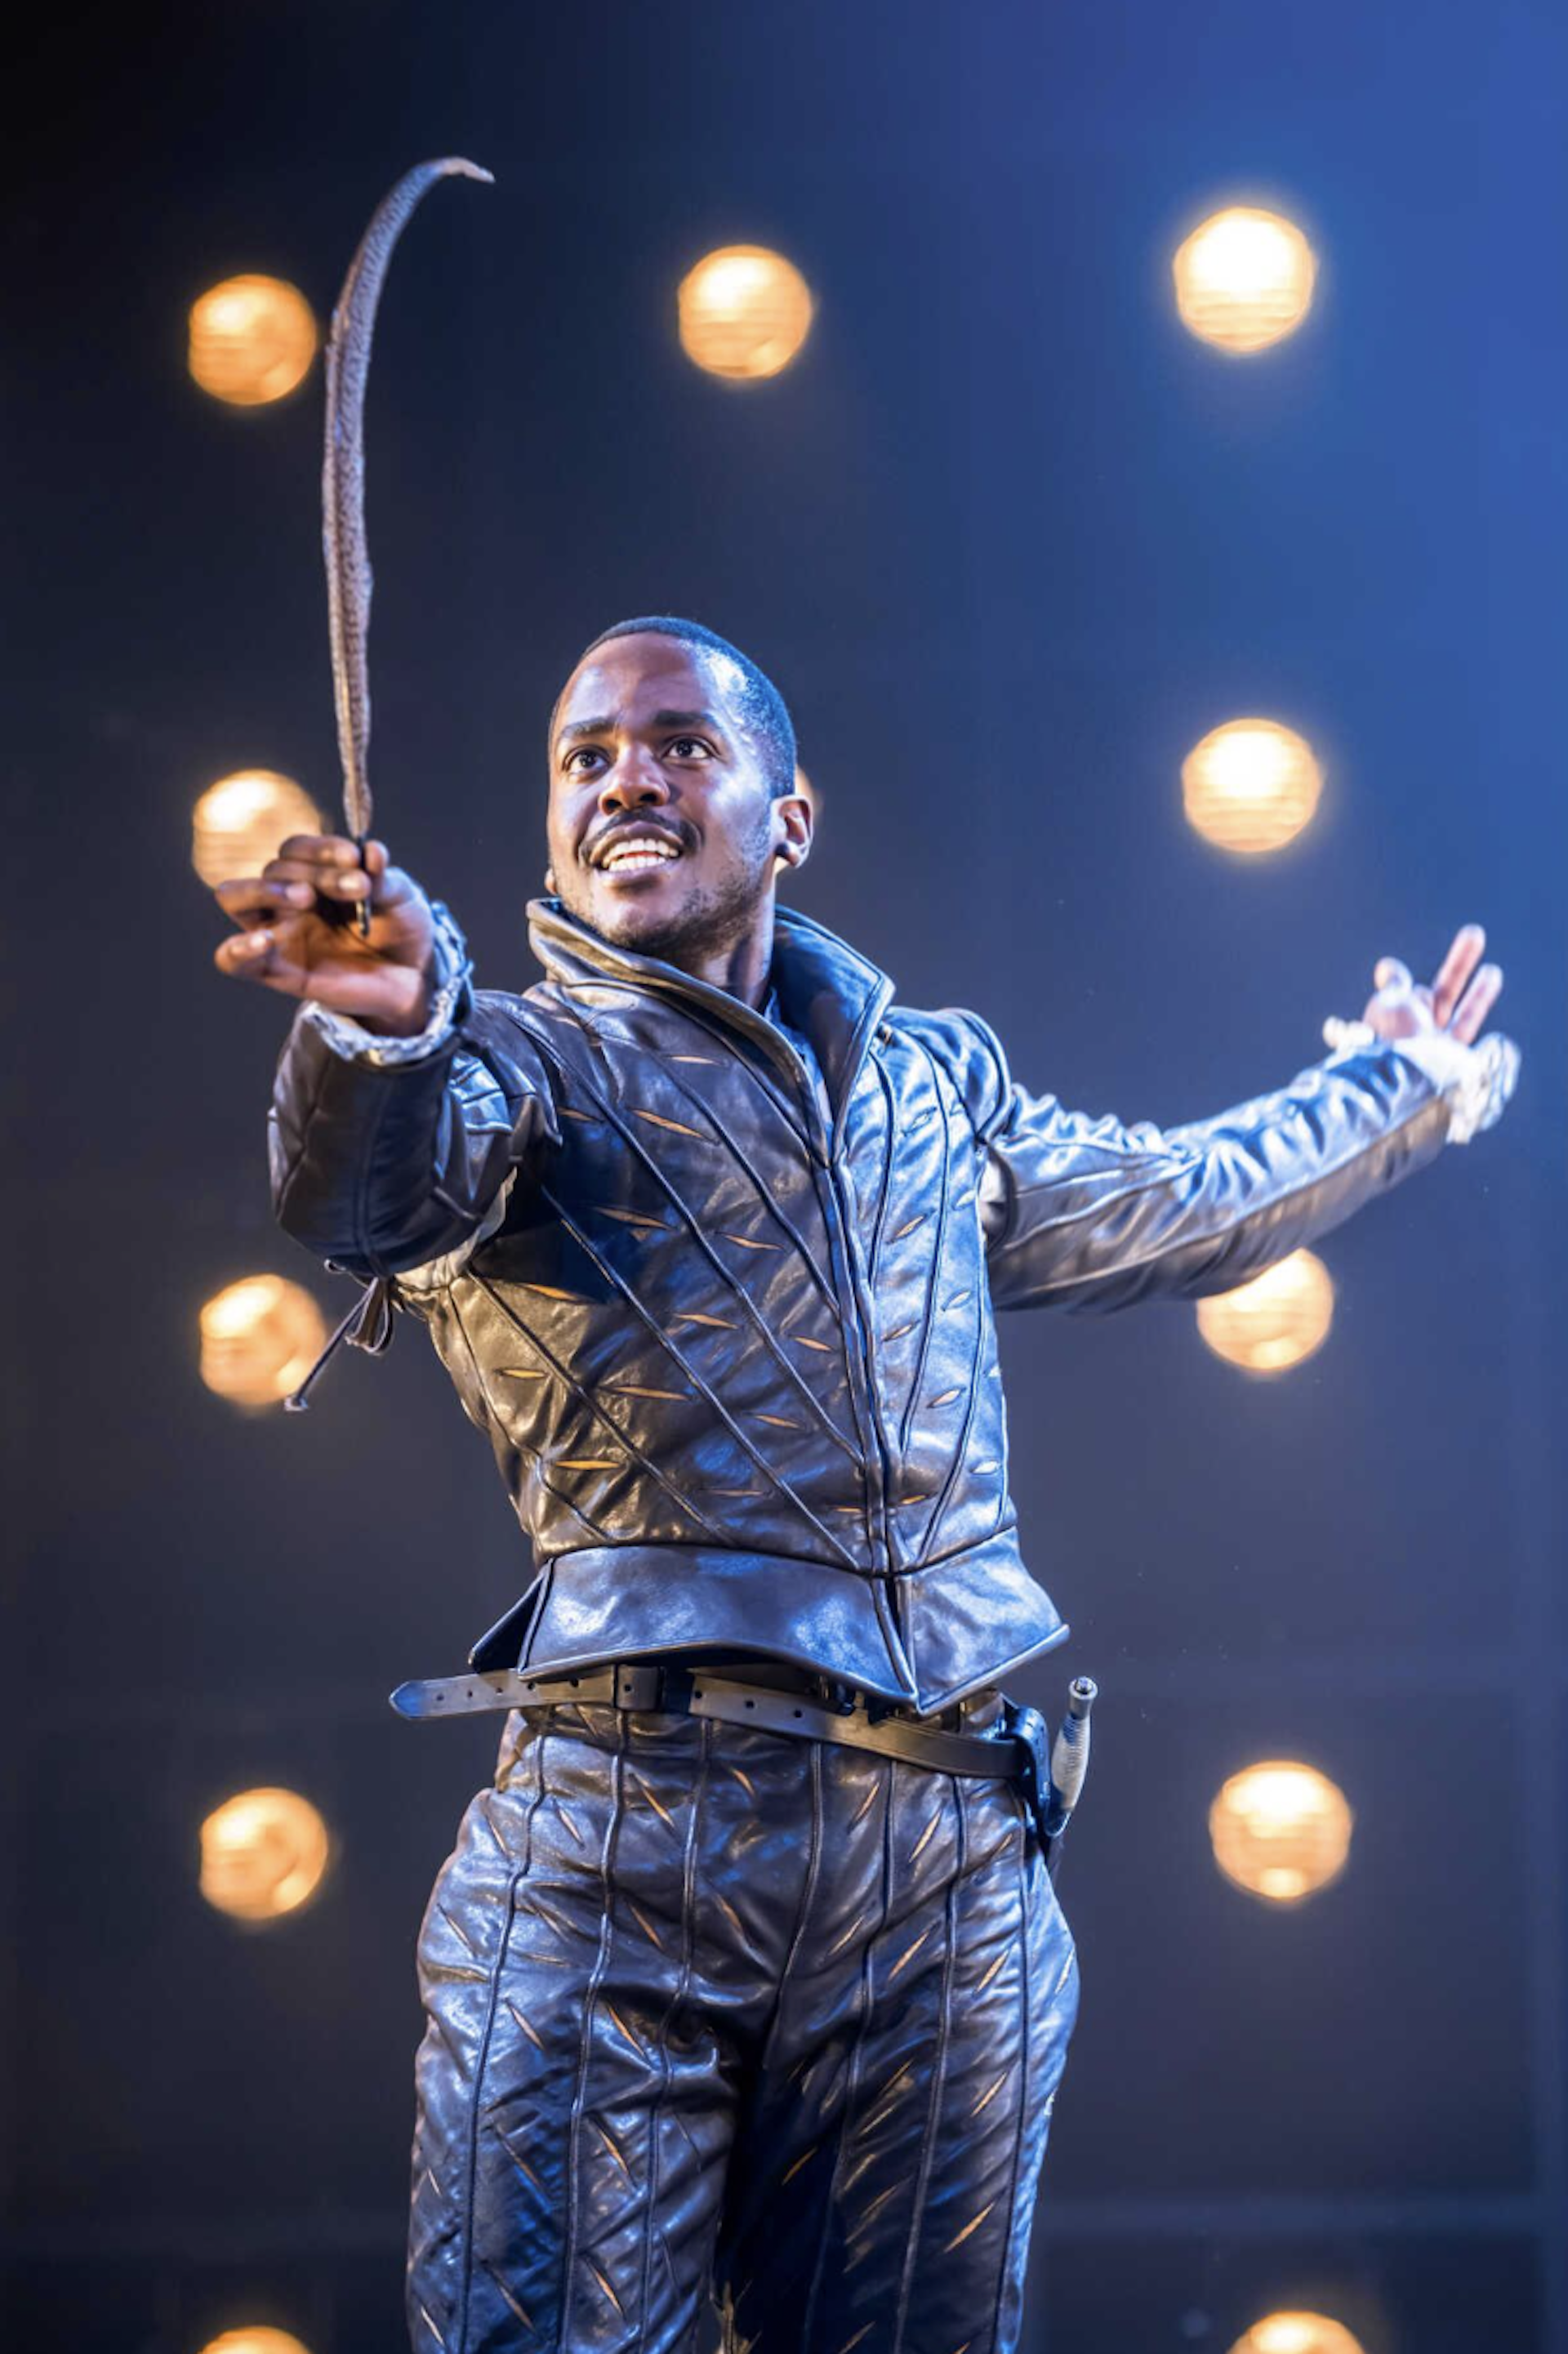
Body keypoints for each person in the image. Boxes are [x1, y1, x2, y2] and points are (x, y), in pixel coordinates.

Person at [213, 617, 1517, 2354]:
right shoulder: (515, 1064)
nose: (625, 777)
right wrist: (380, 1027)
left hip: (944, 1869)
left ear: (788, 813)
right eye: (584, 755)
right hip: (624, 1848)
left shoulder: (928, 1084)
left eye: (677, 743)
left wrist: (1399, 1088)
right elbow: (374, 1188)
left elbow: (1173, 1197)